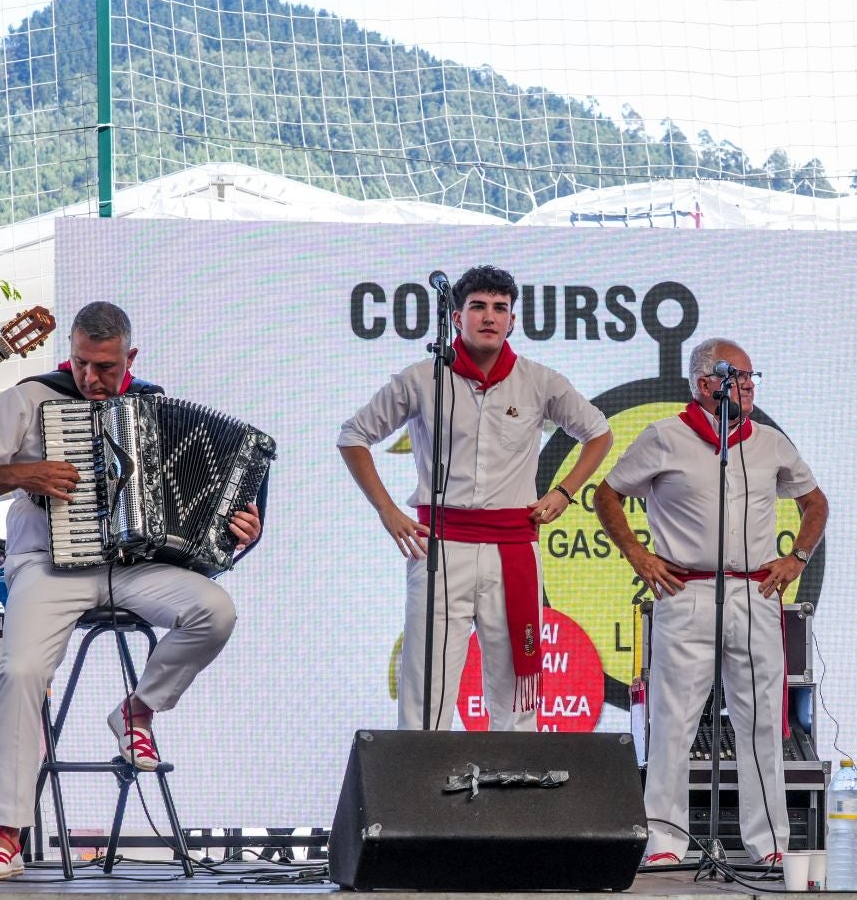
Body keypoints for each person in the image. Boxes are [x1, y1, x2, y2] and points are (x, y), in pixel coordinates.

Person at [0, 301, 260, 880]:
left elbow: (211, 515)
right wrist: (21, 473)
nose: (91, 379)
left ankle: (137, 710)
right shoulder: (33, 399)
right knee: (22, 671)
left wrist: (241, 529)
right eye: (83, 363)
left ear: (129, 358)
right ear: (71, 350)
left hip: (133, 567)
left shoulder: (152, 406)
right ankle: (6, 835)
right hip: (49, 565)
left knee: (214, 610)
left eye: (106, 368)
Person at [339, 265, 613, 731]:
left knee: (515, 685)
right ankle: (417, 795)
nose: (489, 317)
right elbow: (354, 436)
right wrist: (388, 512)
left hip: (513, 546)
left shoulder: (539, 381)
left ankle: (513, 795)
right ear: (456, 315)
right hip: (441, 546)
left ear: (513, 320)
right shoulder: (423, 378)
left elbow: (599, 433)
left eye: (500, 308)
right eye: (478, 307)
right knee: (427, 684)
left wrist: (565, 492)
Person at [595, 339, 828, 866]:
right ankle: (666, 843)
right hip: (687, 590)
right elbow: (607, 493)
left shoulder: (768, 441)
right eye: (737, 376)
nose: (748, 385)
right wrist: (638, 554)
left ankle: (770, 843)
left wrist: (797, 558)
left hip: (754, 591)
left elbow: (815, 502)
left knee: (764, 721)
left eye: (751, 377)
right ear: (704, 385)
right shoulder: (665, 437)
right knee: (674, 719)